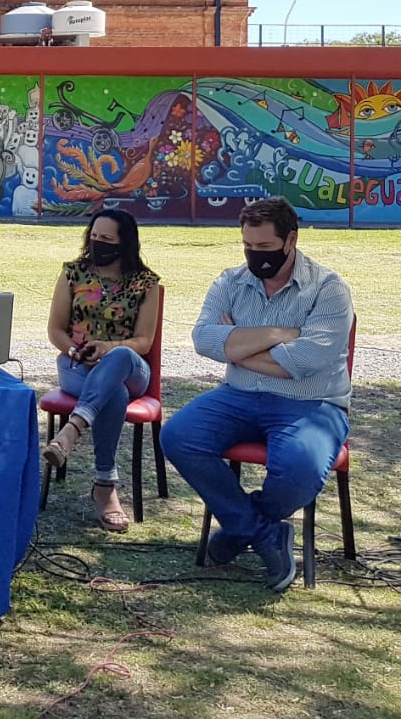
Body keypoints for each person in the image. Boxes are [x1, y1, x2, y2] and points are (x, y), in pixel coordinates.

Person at [162, 197, 353, 592]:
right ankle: (266, 534)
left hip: (311, 403)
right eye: (248, 246)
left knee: (299, 469)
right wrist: (275, 335)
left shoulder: (329, 290)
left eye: (264, 248)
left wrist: (238, 347)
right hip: (239, 396)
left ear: (290, 240)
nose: (255, 255)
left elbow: (308, 359)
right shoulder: (229, 282)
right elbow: (203, 339)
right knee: (178, 436)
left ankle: (238, 531)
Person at [41, 209, 162, 534]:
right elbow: (56, 329)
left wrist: (107, 349)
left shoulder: (145, 283)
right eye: (94, 237)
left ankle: (72, 430)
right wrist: (74, 351)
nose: (98, 244)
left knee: (120, 358)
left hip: (129, 366)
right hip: (77, 364)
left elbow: (144, 341)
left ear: (124, 243)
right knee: (114, 394)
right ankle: (105, 484)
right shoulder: (73, 274)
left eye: (106, 240)